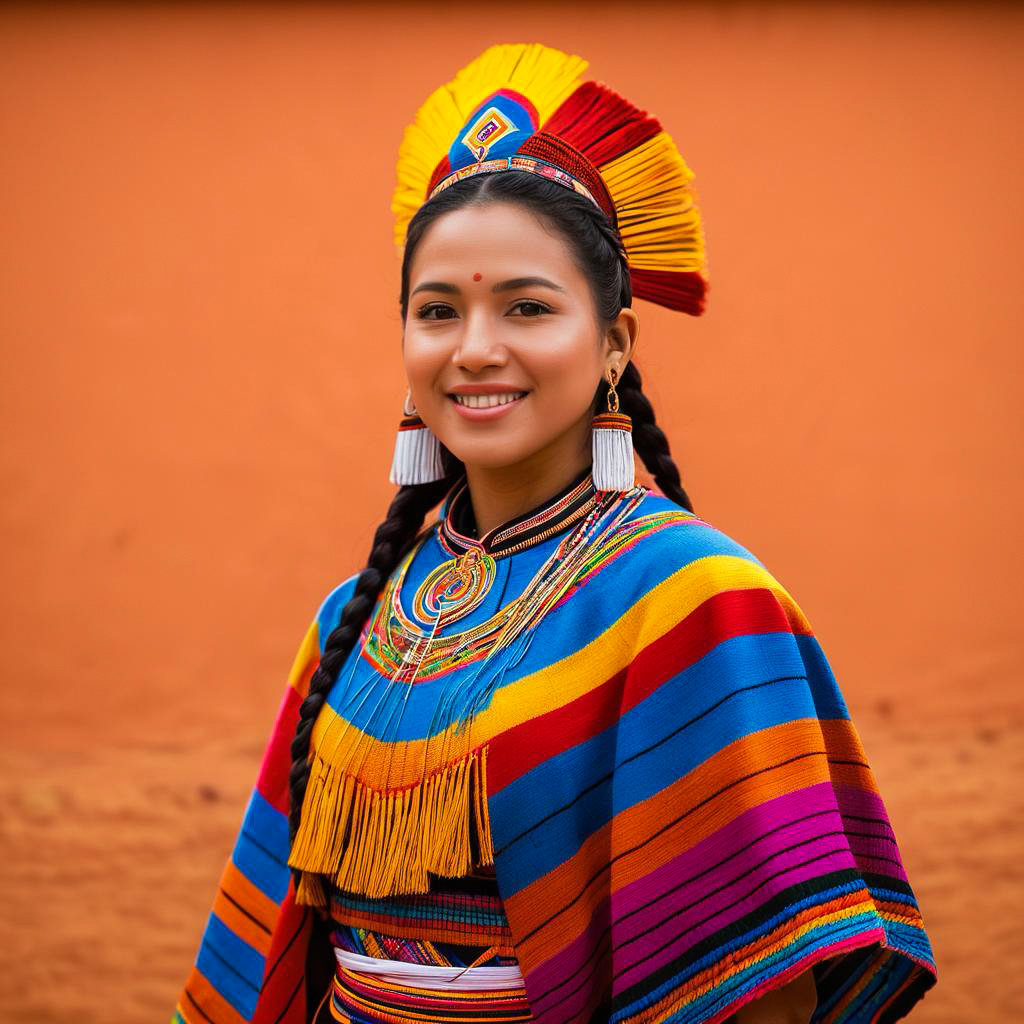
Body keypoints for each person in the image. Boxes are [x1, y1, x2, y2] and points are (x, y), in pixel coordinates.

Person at [173, 42, 937, 1024]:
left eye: (526, 307)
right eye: (436, 310)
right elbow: (281, 957)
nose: (475, 348)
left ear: (615, 339)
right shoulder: (353, 617)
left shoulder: (694, 602)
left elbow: (756, 992)